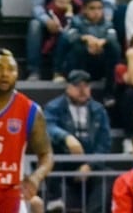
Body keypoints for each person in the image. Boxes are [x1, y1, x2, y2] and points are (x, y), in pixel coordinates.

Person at [0, 49, 53, 212]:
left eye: (10, 69)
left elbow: (46, 154)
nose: (4, 74)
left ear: (17, 75)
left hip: (9, 194)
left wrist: (36, 177)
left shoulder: (31, 111)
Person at [43, 69, 111, 213]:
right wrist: (66, 137)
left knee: (106, 176)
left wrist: (90, 165)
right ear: (68, 87)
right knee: (50, 158)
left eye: (85, 86)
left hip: (89, 160)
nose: (82, 90)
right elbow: (48, 126)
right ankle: (55, 203)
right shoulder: (54, 107)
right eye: (77, 86)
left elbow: (104, 144)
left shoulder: (99, 110)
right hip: (63, 159)